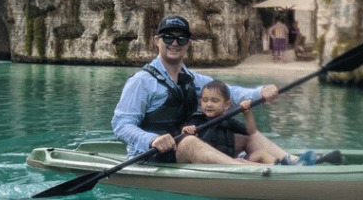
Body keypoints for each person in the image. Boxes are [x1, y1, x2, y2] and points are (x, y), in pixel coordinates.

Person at [112, 15, 295, 166]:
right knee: (190, 142)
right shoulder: (140, 82)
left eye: (181, 39)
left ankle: (293, 162)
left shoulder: (194, 80)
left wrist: (262, 92)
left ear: (188, 44)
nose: (175, 43)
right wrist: (151, 139)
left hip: (184, 150)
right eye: (168, 37)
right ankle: (248, 169)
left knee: (247, 137)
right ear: (157, 41)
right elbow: (121, 125)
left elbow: (231, 94)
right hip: (151, 156)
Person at [181, 81, 279, 165]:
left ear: (227, 105)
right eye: (205, 100)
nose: (209, 104)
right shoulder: (196, 119)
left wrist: (247, 113)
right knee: (240, 160)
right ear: (200, 102)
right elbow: (186, 135)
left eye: (215, 101)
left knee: (261, 154)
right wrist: (186, 131)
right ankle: (270, 168)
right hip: (212, 163)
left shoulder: (228, 121)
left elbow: (251, 131)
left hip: (230, 160)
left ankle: (282, 167)